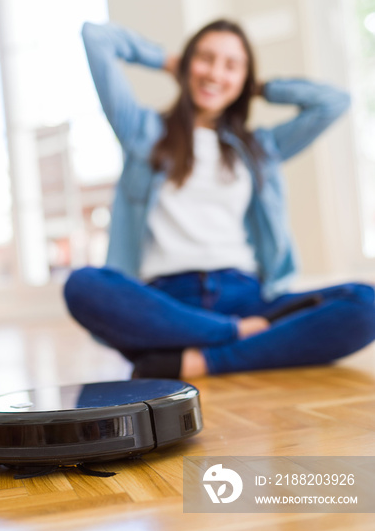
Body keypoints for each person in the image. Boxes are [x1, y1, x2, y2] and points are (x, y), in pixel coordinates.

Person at [64, 19, 375, 380]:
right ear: (187, 62)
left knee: (366, 303)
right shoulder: (143, 132)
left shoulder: (260, 149)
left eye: (231, 65)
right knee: (83, 285)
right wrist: (167, 60)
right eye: (205, 59)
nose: (215, 72)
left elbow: (334, 103)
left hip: (248, 297)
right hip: (167, 304)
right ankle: (233, 338)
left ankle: (200, 361)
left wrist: (253, 87)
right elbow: (97, 38)